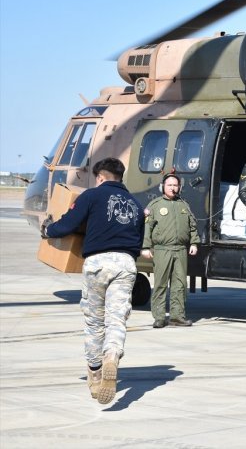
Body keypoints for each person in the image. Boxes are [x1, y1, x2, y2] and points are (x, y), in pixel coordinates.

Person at [41, 158, 144, 405]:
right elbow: (139, 242)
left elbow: (68, 224)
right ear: (121, 177)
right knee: (117, 319)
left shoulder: (91, 196)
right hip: (126, 263)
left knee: (94, 321)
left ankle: (96, 372)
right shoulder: (136, 205)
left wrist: (48, 230)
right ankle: (112, 355)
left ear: (100, 177)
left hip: (98, 263)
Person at [141, 173, 200, 329]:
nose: (173, 188)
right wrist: (146, 247)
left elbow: (192, 226)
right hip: (162, 250)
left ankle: (177, 316)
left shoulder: (184, 205)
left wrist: (194, 242)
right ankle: (159, 317)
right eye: (170, 185)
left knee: (180, 284)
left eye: (175, 185)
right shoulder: (155, 205)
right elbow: (147, 228)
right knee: (160, 283)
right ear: (163, 187)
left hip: (180, 249)